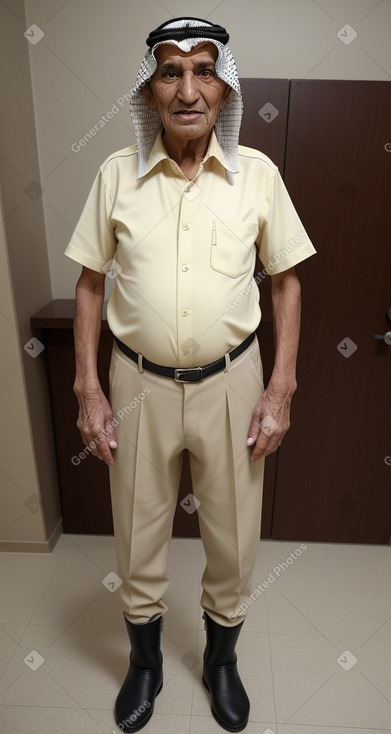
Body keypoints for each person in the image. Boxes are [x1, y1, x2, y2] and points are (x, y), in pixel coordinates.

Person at [65, 17, 316, 733]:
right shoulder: (116, 173)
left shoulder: (257, 174)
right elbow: (88, 284)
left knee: (233, 536)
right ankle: (144, 665)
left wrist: (280, 388)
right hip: (135, 380)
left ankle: (220, 661)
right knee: (137, 530)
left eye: (203, 71)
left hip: (233, 382)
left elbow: (286, 284)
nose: (187, 88)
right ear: (148, 91)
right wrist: (88, 389)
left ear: (223, 87)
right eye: (169, 72)